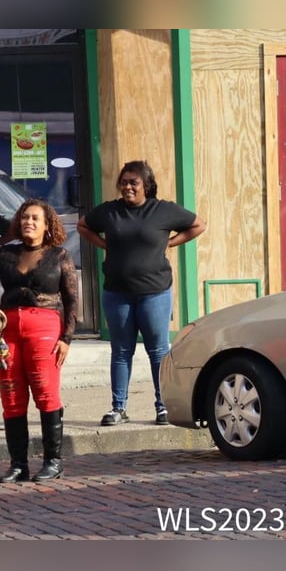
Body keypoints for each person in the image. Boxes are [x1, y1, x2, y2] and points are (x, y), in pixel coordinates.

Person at [76, 160, 206, 427]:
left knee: (157, 351)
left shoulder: (163, 210)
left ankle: (163, 407)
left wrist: (169, 243)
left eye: (133, 182)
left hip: (154, 293)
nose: (127, 187)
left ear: (146, 185)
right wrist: (104, 244)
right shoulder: (110, 212)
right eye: (123, 182)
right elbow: (83, 226)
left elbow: (198, 225)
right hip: (117, 293)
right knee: (121, 351)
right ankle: (118, 408)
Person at [0, 199, 78, 483]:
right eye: (24, 218)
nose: (29, 222)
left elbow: (71, 300)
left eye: (35, 219)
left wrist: (66, 338)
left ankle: (53, 461)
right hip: (8, 330)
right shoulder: (5, 254)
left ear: (46, 225)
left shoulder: (59, 255)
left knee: (45, 392)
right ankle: (18, 464)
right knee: (11, 396)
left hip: (45, 328)